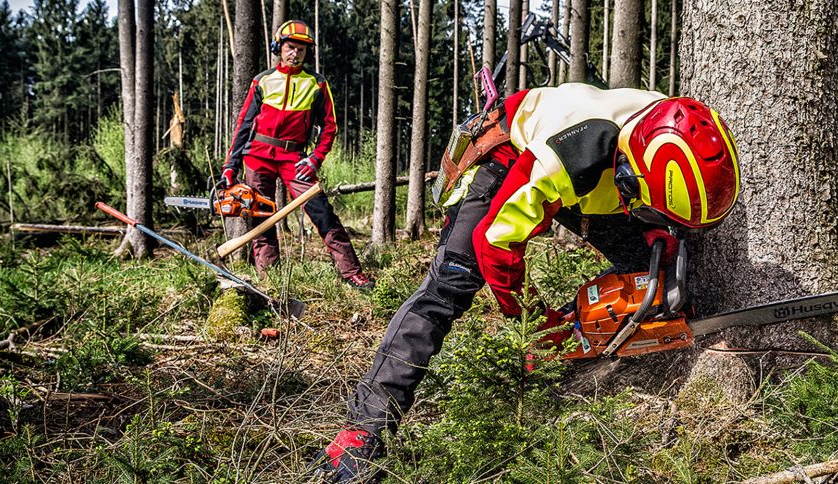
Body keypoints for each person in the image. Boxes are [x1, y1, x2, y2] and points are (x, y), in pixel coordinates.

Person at [311, 83, 741, 480]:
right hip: (512, 156)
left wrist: (658, 231)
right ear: (633, 174)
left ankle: (601, 352)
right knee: (449, 286)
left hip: (605, 178)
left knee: (650, 264)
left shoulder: (675, 127)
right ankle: (362, 431)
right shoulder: (565, 159)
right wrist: (537, 324)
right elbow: (494, 244)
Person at [221, 20, 374, 289]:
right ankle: (270, 280)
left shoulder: (316, 84)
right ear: (279, 48)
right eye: (291, 47)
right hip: (257, 156)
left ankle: (351, 272)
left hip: (295, 159)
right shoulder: (263, 81)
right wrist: (230, 166)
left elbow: (330, 127)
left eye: (302, 50)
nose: (296, 54)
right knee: (261, 217)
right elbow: (244, 125)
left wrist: (315, 159)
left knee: (322, 211)